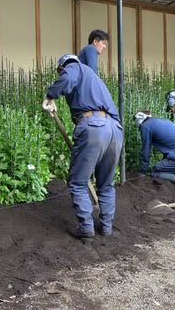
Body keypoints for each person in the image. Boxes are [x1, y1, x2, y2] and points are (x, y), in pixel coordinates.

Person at [42, 53, 123, 239]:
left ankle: (86, 227)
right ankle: (106, 226)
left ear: (62, 67)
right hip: (114, 129)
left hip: (94, 126)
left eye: (60, 72)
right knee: (106, 184)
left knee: (78, 182)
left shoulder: (74, 67)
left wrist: (50, 96)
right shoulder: (94, 79)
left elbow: (68, 78)